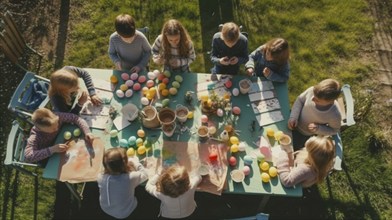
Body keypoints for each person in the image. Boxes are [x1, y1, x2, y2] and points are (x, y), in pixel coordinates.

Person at [288, 78, 342, 150]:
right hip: (292, 120)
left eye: (317, 100)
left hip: (304, 134)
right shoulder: (312, 90)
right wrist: (293, 117)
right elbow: (300, 100)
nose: (312, 99)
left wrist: (318, 128)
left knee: (291, 149)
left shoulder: (334, 115)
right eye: (313, 95)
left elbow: (335, 130)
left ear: (331, 102)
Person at [24, 108, 94, 163]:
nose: (56, 128)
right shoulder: (35, 136)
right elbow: (28, 157)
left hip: (60, 142)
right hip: (49, 157)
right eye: (53, 129)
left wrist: (87, 132)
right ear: (40, 129)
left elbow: (76, 118)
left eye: (57, 124)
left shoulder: (57, 117)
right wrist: (52, 149)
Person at [97, 147, 148, 219]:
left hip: (105, 208)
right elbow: (145, 175)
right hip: (126, 212)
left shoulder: (100, 177)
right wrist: (135, 162)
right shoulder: (129, 178)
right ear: (125, 164)